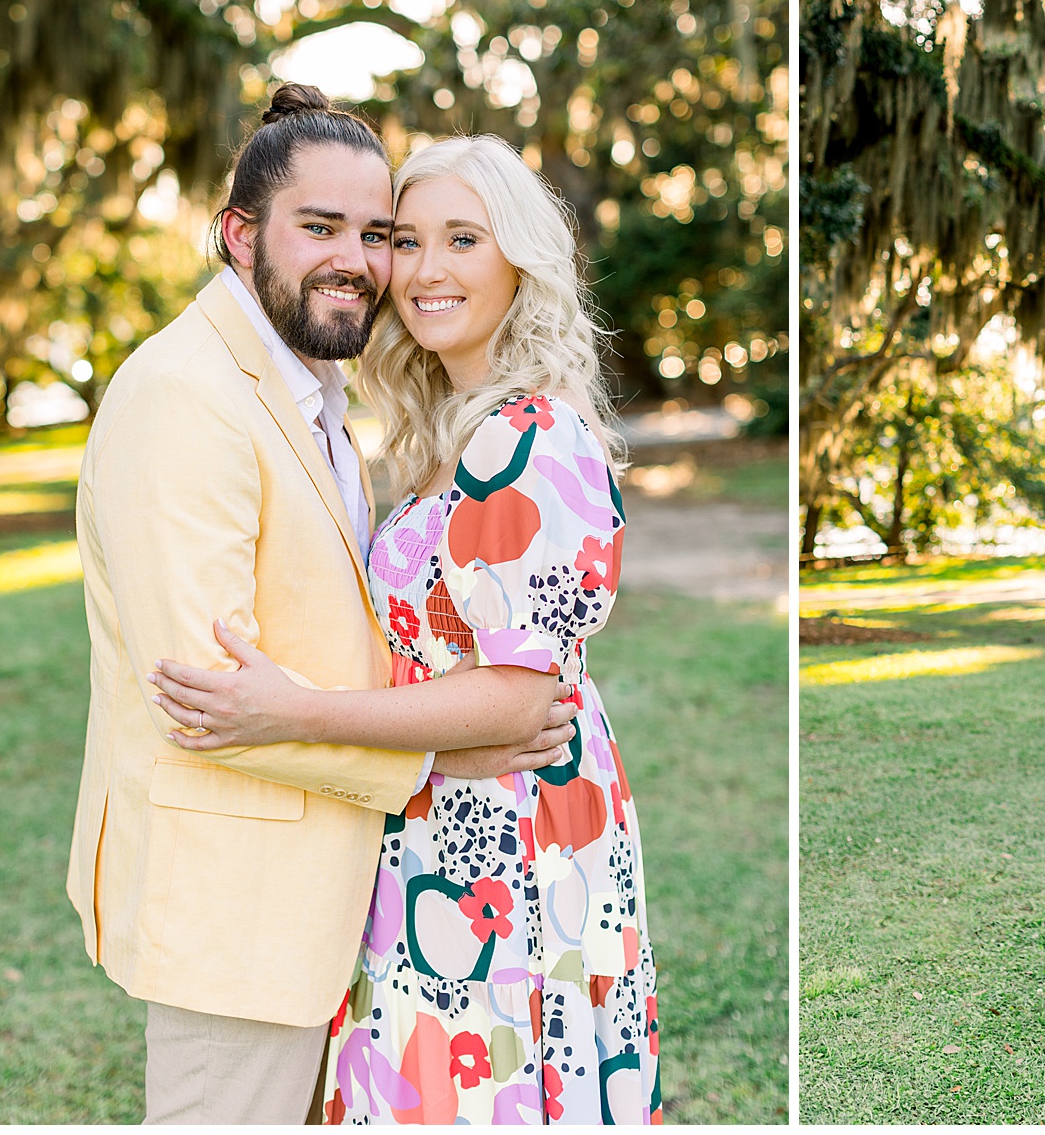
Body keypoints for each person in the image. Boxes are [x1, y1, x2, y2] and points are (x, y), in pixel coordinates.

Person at [68, 85, 574, 1124]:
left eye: (374, 231)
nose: (359, 258)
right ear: (238, 232)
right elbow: (208, 694)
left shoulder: (312, 393)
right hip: (237, 902)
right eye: (319, 227)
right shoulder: (186, 394)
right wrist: (438, 753)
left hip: (327, 895)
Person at [150, 133, 659, 1123]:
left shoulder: (533, 437)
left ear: (519, 258)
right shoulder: (445, 429)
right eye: (404, 239)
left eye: (461, 239)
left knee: (480, 1092)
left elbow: (519, 692)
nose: (422, 271)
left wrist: (296, 711)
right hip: (432, 819)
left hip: (505, 842)